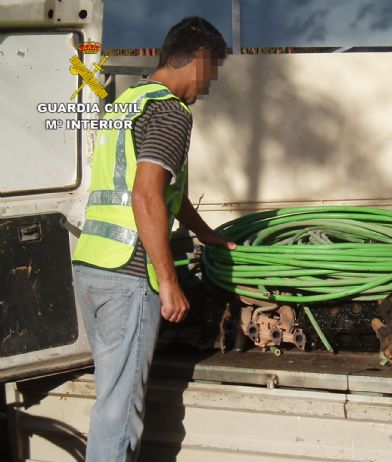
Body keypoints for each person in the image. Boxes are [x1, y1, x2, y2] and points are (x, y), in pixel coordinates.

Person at [72, 16, 236, 461]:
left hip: (92, 266)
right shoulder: (169, 111)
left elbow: (162, 191)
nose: (208, 87)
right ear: (198, 60)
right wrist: (169, 281)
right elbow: (146, 197)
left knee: (110, 401)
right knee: (121, 411)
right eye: (212, 73)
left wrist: (206, 234)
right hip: (128, 273)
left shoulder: (128, 102)